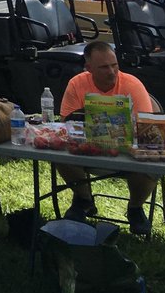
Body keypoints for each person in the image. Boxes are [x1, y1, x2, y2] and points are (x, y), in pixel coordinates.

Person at [56, 41, 156, 234]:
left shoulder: (132, 84)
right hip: (88, 152)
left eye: (115, 65)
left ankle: (135, 208)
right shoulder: (77, 84)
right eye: (104, 67)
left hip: (127, 155)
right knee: (60, 154)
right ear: (89, 68)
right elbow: (67, 125)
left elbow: (147, 129)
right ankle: (83, 199)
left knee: (149, 164)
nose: (111, 72)